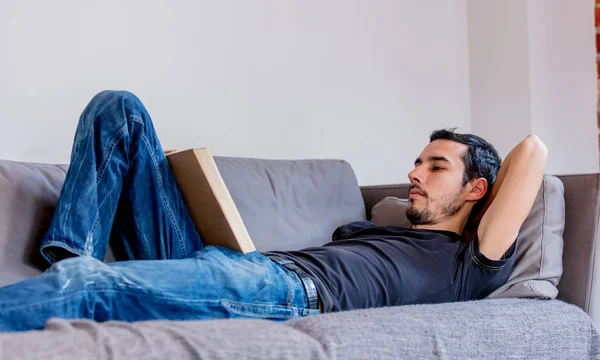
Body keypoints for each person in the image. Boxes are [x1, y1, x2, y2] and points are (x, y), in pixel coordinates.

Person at [0, 91, 547, 332]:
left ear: (477, 191)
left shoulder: (469, 262)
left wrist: (487, 189)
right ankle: (70, 260)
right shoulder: (368, 231)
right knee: (119, 111)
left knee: (91, 286)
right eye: (417, 162)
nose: (413, 174)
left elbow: (532, 152)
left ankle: (73, 282)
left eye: (435, 167)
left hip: (280, 289)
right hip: (241, 265)